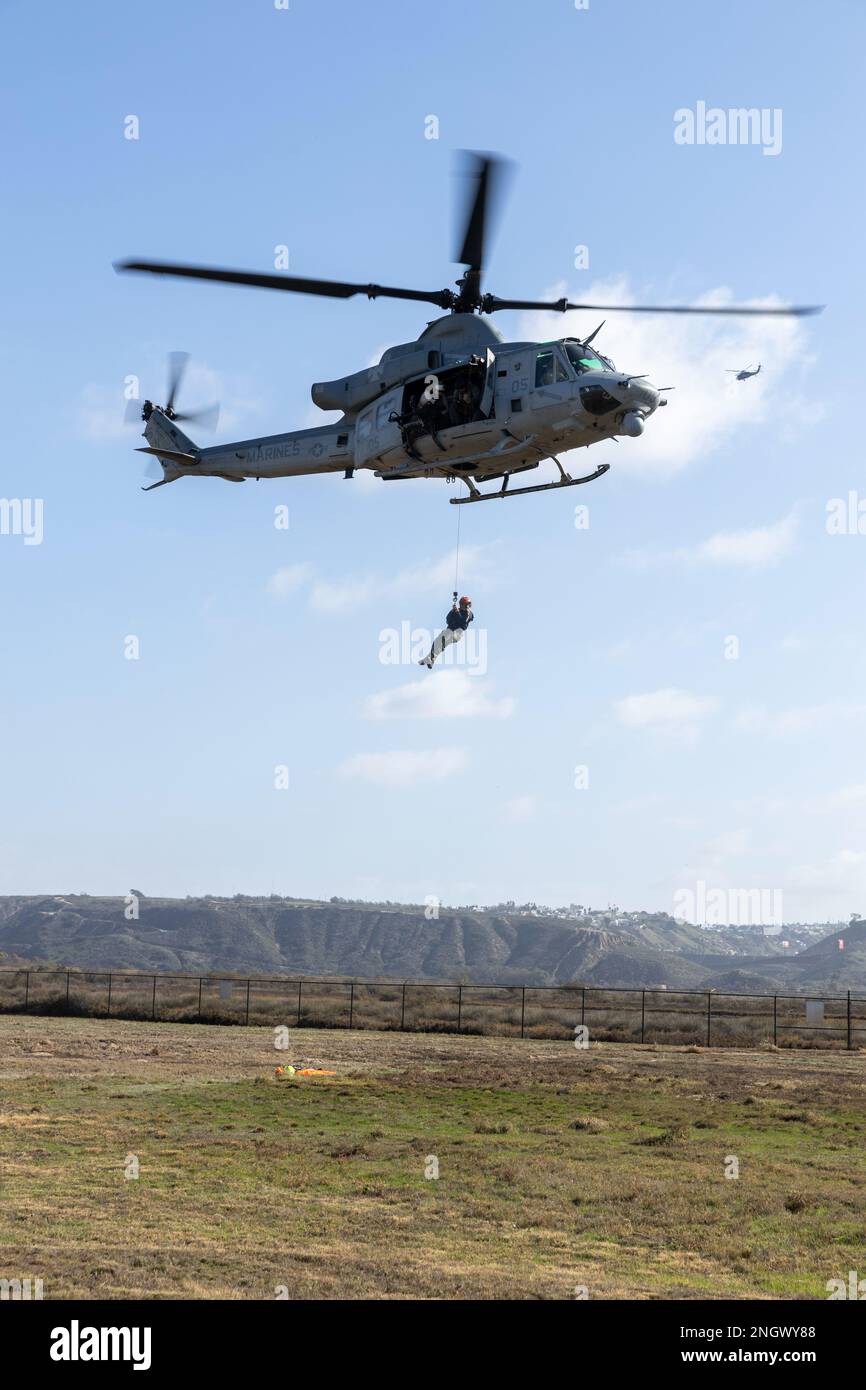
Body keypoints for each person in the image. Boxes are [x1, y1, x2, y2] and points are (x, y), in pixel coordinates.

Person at [420, 594, 473, 669]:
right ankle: (430, 659)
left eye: (469, 605)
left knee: (442, 641)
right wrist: (452, 611)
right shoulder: (456, 610)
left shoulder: (469, 614)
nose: (468, 607)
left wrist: (457, 613)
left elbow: (462, 622)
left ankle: (430, 659)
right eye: (466, 605)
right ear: (461, 605)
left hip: (457, 633)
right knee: (438, 643)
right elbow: (448, 620)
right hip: (449, 630)